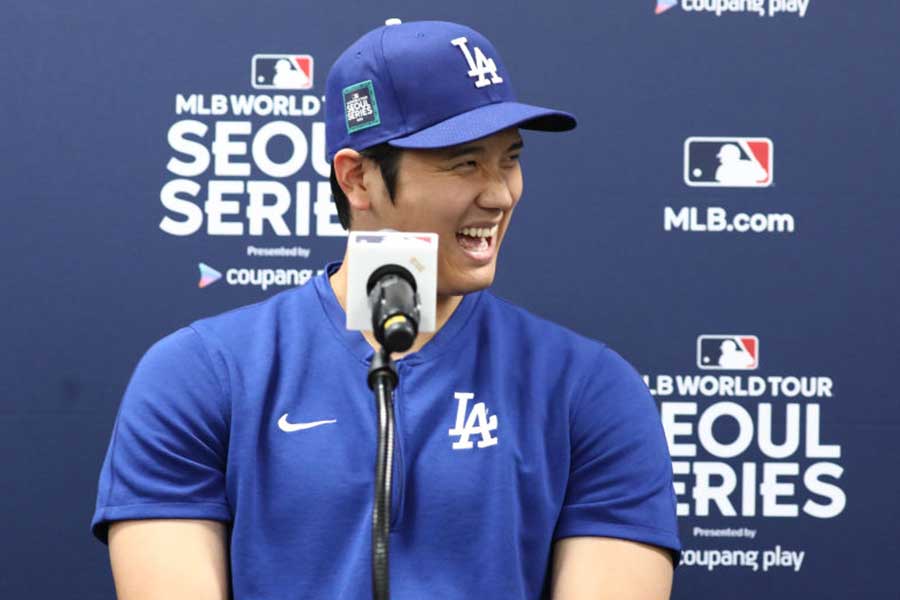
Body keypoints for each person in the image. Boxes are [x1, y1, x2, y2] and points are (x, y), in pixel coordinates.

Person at [92, 19, 680, 599]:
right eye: (465, 162)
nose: (500, 193)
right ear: (357, 180)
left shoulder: (592, 388)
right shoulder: (199, 374)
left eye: (510, 159)